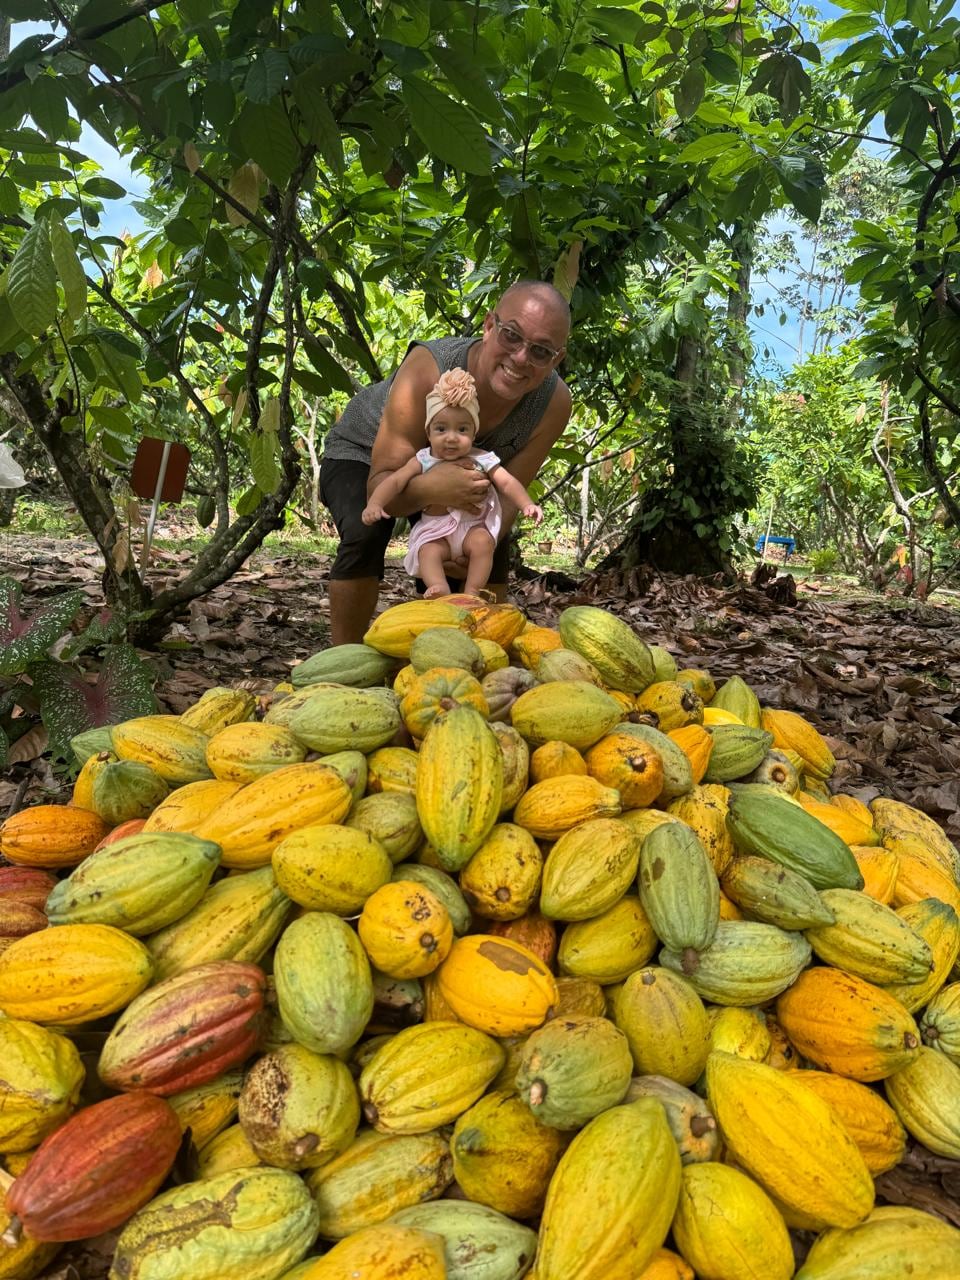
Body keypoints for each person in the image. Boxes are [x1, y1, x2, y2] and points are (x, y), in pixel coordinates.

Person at [319, 280, 572, 644]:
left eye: (540, 351)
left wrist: (477, 540)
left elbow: (508, 495)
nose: (521, 358)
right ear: (488, 326)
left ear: (556, 359)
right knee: (366, 530)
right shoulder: (429, 369)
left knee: (484, 545)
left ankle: (468, 658)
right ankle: (344, 662)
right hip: (364, 455)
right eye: (512, 336)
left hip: (466, 480)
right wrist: (432, 488)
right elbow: (382, 485)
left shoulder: (553, 404)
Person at [361, 368, 543, 598]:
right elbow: (396, 481)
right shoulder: (424, 459)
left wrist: (526, 504)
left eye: (462, 429)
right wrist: (375, 503)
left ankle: (472, 592)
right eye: (441, 429)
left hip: (471, 528)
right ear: (428, 433)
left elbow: (507, 483)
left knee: (484, 543)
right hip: (436, 531)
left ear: (474, 433)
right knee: (428, 552)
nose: (451, 437)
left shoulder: (482, 458)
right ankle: (439, 589)